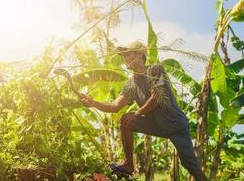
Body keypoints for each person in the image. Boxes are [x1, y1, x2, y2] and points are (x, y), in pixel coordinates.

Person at [79, 41, 208, 181]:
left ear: (141, 54)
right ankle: (129, 165)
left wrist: (137, 113)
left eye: (129, 54)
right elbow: (115, 106)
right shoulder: (130, 84)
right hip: (156, 124)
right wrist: (93, 103)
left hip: (176, 125)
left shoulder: (155, 70)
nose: (125, 58)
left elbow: (157, 97)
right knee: (125, 120)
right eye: (124, 56)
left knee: (190, 165)